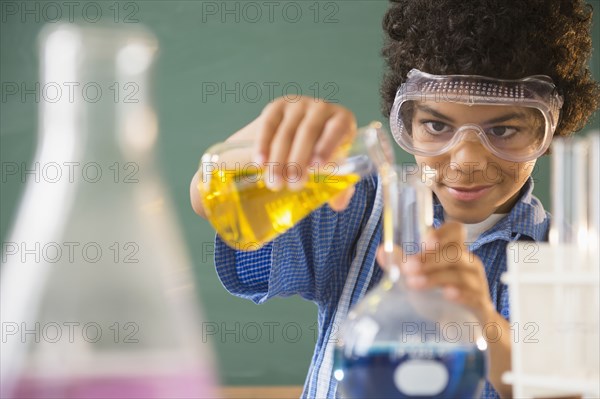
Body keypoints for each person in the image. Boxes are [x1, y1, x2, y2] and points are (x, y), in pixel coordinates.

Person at [190, 0, 600, 397]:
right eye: (438, 125)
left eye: (503, 130)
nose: (467, 160)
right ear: (407, 121)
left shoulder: (568, 256)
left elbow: (565, 389)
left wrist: (482, 320)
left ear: (548, 130)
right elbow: (210, 197)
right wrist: (266, 145)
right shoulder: (358, 208)